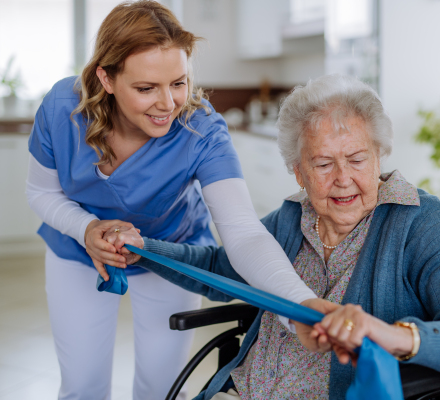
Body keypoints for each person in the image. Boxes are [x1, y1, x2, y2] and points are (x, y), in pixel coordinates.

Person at [108, 74, 440, 400]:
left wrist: (392, 336)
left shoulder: (415, 223)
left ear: (379, 156)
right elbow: (219, 266)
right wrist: (144, 251)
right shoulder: (290, 217)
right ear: (298, 172)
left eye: (356, 159)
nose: (342, 179)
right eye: (322, 163)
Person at [25, 2, 322, 399]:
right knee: (81, 386)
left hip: (170, 253)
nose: (167, 104)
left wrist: (300, 303)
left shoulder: (202, 130)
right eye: (146, 88)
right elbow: (41, 191)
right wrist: (87, 228)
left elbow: (243, 232)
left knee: (163, 388)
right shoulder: (63, 109)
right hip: (76, 251)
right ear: (106, 79)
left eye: (178, 82)